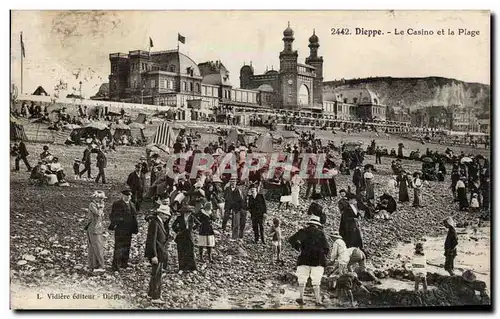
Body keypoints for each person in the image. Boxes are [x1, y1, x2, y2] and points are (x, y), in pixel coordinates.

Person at [288, 215, 330, 306]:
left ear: (310, 223)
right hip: (318, 260)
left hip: (304, 258)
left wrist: (298, 248)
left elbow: (291, 240)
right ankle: (318, 301)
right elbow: (326, 248)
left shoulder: (303, 232)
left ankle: (301, 298)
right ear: (317, 225)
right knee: (316, 282)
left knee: (302, 280)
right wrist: (323, 254)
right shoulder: (320, 233)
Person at [145, 204, 171, 304]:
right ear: (160, 213)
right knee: (157, 275)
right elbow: (151, 240)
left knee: (155, 274)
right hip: (157, 253)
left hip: (160, 252)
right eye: (165, 215)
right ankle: (156, 297)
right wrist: (153, 255)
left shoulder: (159, 222)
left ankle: (151, 293)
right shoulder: (155, 223)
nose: (167, 217)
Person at [109, 189, 139, 272]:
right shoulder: (117, 204)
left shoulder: (132, 204)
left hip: (129, 229)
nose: (128, 197)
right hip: (120, 229)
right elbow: (112, 215)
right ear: (122, 196)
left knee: (127, 246)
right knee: (118, 247)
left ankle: (124, 263)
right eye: (126, 196)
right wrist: (119, 220)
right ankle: (116, 266)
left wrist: (135, 228)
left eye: (129, 196)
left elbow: (134, 217)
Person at [171, 205, 200, 272]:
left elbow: (198, 224)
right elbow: (173, 226)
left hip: (189, 236)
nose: (188, 213)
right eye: (186, 212)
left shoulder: (192, 217)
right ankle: (181, 268)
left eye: (189, 212)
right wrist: (178, 231)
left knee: (190, 252)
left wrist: (192, 229)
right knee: (181, 252)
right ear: (183, 212)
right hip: (181, 236)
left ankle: (193, 268)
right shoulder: (179, 218)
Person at [85, 190, 107, 273]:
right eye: (100, 198)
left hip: (98, 228)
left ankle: (96, 265)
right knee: (95, 247)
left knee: (97, 247)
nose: (102, 200)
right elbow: (98, 213)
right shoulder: (92, 205)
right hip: (93, 228)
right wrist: (101, 207)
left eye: (102, 199)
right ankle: (97, 265)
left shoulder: (98, 205)